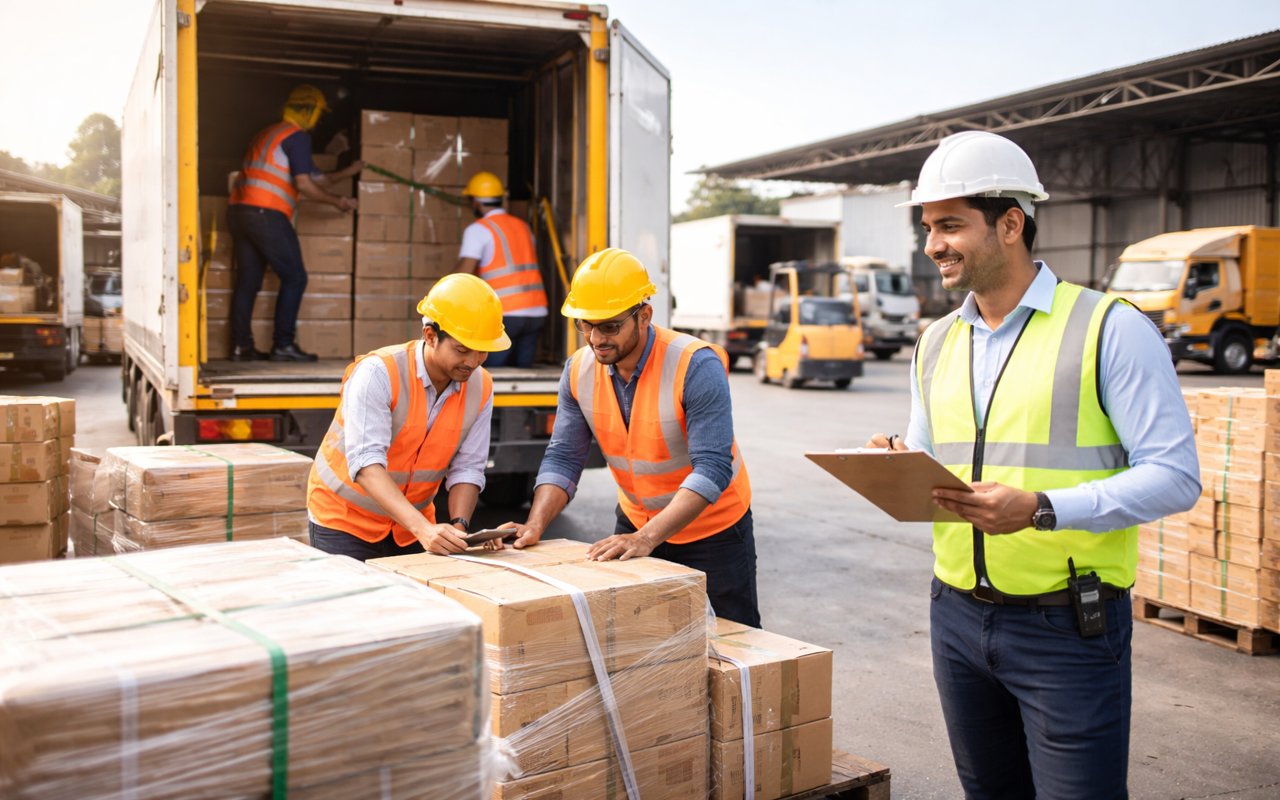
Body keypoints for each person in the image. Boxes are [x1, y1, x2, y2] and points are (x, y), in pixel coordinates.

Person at [867, 131, 1199, 799]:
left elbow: (1176, 475)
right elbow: (933, 459)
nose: (933, 244)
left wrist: (1043, 509)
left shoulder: (1110, 328)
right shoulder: (935, 341)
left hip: (1067, 628)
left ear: (1010, 223)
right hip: (955, 615)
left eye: (952, 225)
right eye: (930, 227)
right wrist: (896, 466)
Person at [503, 248, 760, 627]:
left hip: (714, 533)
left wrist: (646, 538)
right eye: (585, 325)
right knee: (638, 646)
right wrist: (536, 524)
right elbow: (563, 458)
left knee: (730, 642)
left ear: (644, 316)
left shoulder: (695, 364)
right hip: (637, 521)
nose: (595, 339)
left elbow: (713, 468)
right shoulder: (578, 370)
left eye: (610, 326)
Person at [306, 273, 510, 561]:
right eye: (462, 350)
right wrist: (424, 530)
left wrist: (458, 528)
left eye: (482, 352)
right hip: (344, 521)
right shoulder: (379, 373)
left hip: (410, 527)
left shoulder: (481, 385)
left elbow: (468, 467)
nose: (473, 362)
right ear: (431, 336)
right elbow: (365, 463)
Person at [228, 84, 362, 362]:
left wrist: (349, 171)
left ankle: (241, 346)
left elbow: (317, 178)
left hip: (240, 212)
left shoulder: (270, 133)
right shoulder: (297, 137)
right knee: (295, 276)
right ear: (310, 111)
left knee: (249, 280)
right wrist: (339, 202)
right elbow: (305, 185)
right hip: (266, 212)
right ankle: (283, 345)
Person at [455, 171, 548, 368]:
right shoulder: (523, 227)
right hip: (537, 312)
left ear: (476, 202)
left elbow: (462, 277)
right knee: (523, 379)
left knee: (493, 376)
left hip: (506, 315)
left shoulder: (478, 229)